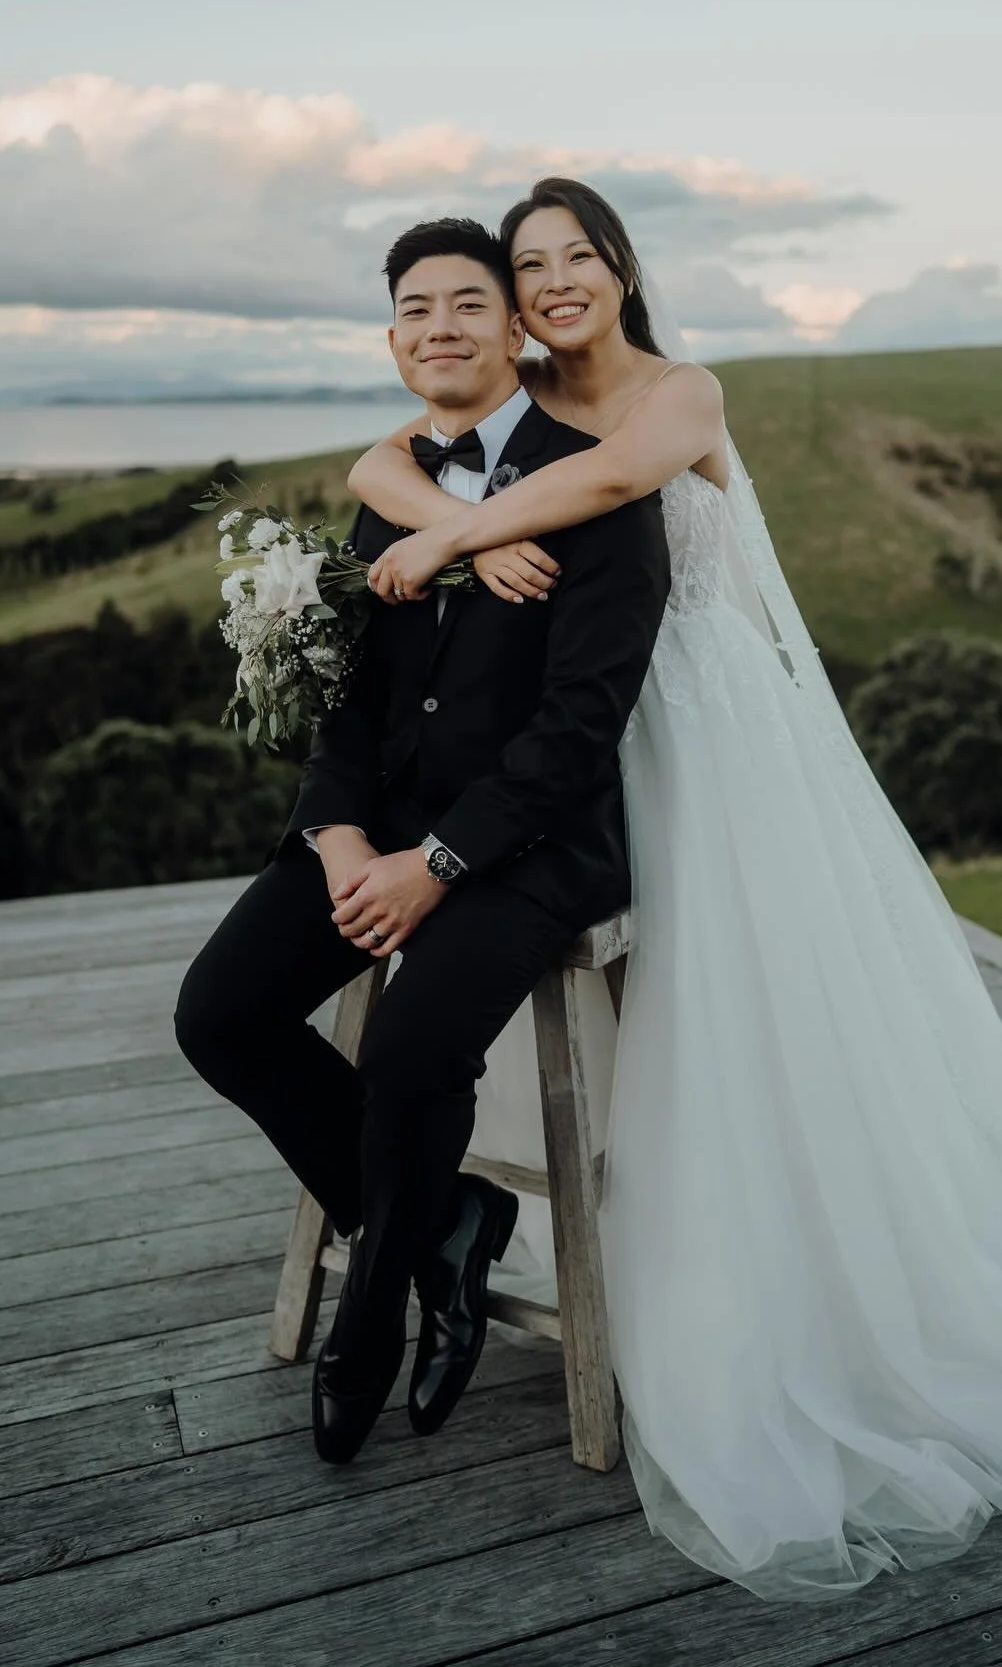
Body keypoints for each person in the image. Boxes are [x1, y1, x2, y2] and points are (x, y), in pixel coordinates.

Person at [345, 176, 1002, 1600]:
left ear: (619, 265)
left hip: (709, 738)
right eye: (526, 268)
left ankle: (800, 1270)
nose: (549, 287)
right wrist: (434, 511)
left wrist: (461, 536)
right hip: (583, 746)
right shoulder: (513, 389)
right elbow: (376, 465)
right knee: (622, 1000)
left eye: (573, 257)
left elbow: (599, 486)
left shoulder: (680, 394)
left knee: (751, 1004)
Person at [175, 216, 670, 1466]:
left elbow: (577, 733)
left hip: (533, 843)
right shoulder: (391, 484)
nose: (438, 328)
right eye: (414, 310)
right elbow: (346, 698)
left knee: (408, 1049)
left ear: (516, 327)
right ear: (393, 340)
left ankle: (369, 1326)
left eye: (466, 304)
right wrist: (341, 839)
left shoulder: (601, 483)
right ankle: (443, 1220)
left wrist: (439, 864)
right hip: (374, 828)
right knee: (219, 1013)